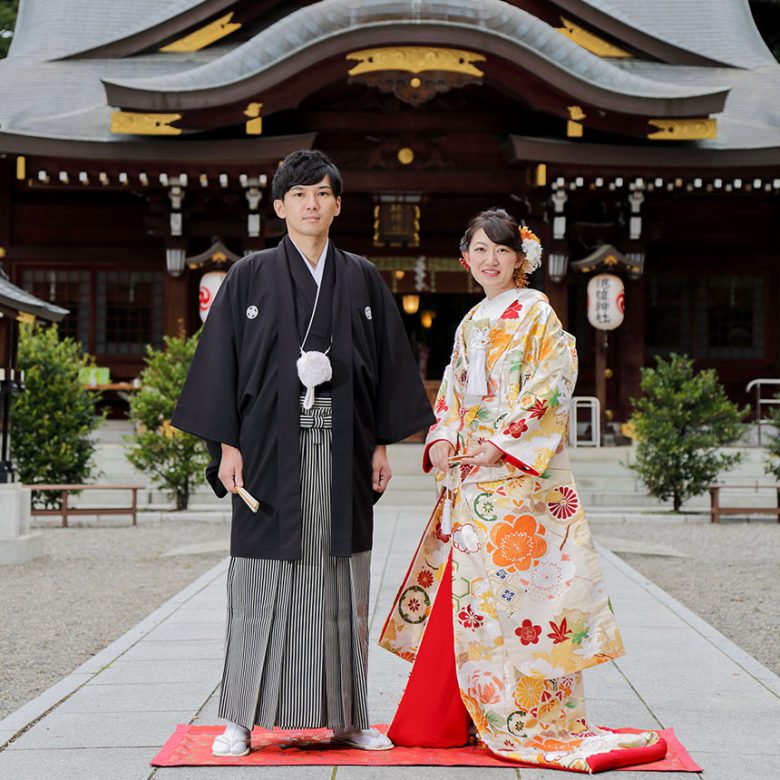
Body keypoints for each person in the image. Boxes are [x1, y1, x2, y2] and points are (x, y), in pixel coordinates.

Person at [379, 208, 667, 773]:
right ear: (466, 259)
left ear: (520, 259)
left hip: (519, 480)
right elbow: (454, 396)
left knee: (523, 598)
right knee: (467, 591)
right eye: (479, 250)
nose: (489, 260)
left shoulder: (538, 315)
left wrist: (504, 443)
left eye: (501, 251)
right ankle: (451, 713)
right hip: (471, 471)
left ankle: (521, 715)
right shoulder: (469, 324)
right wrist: (440, 438)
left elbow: (552, 386)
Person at [173, 150, 434, 757]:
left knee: (343, 583)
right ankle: (240, 717)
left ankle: (346, 717)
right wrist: (226, 447)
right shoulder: (249, 275)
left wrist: (379, 446)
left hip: (343, 449)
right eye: (299, 195)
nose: (311, 204)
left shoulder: (362, 277)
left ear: (338, 204)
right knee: (262, 583)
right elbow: (223, 365)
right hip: (266, 450)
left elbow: (382, 370)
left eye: (322, 193)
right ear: (279, 207)